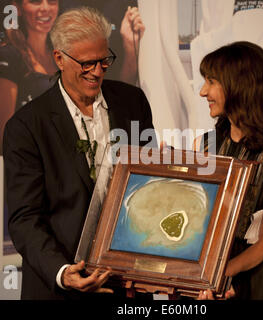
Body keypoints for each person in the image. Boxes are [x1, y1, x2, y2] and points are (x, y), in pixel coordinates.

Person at [3, 6, 156, 300]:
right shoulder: (26, 126)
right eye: (86, 64)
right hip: (60, 289)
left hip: (127, 288)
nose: (97, 71)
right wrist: (62, 271)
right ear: (59, 58)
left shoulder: (132, 102)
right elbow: (25, 218)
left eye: (103, 61)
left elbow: (147, 185)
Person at [195, 41, 263, 300]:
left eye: (211, 82)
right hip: (207, 279)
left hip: (255, 281)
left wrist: (221, 274)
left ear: (238, 85)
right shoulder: (207, 143)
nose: (202, 91)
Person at [0, 0, 60, 155]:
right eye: (35, 1)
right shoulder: (10, 55)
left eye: (52, 1)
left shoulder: (61, 55)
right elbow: (4, 134)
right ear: (18, 8)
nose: (45, 8)